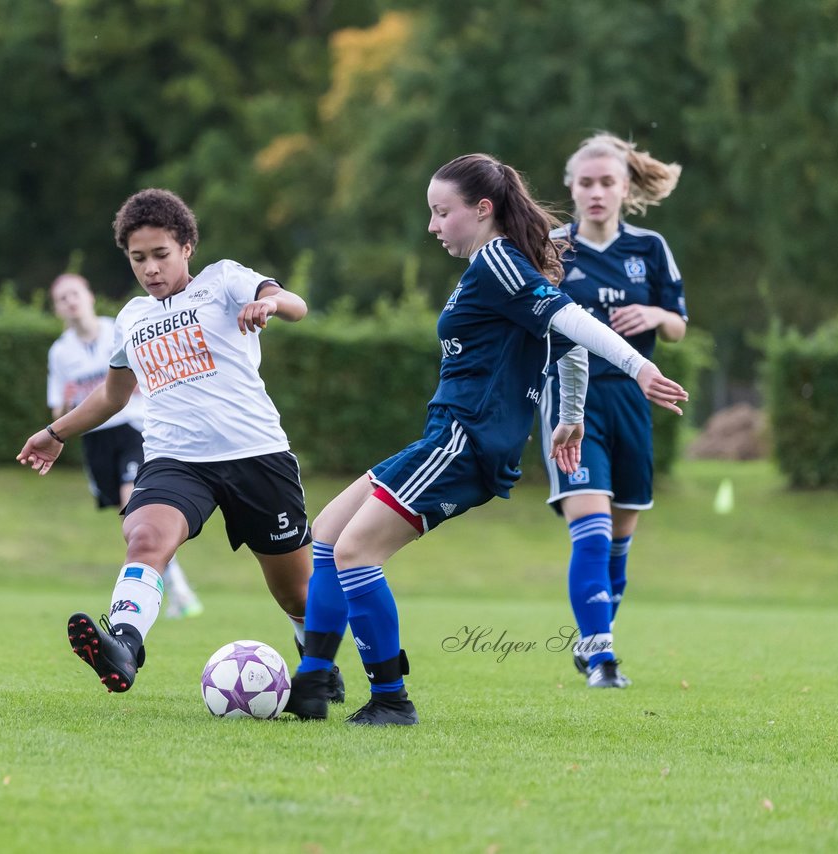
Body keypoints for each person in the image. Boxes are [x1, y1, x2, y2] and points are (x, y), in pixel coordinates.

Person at [285, 153, 688, 726]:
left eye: (440, 212)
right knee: (325, 537)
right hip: (446, 435)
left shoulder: (497, 259)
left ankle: (391, 700)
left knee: (354, 554)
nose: (432, 226)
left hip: (463, 441)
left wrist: (638, 369)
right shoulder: (500, 264)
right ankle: (313, 684)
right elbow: (563, 339)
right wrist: (570, 414)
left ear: (481, 209)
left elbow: (570, 320)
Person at [18, 188, 342, 701]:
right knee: (145, 538)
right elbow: (113, 396)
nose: (150, 269)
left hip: (255, 453)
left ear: (187, 246)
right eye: (137, 258)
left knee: (295, 592)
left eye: (160, 255)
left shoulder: (225, 280)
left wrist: (269, 302)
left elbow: (295, 304)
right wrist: (55, 433)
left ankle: (318, 671)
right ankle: (123, 646)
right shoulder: (130, 318)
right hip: (176, 459)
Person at [539, 134, 689, 688]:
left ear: (626, 188)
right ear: (571, 189)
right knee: (593, 529)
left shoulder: (649, 248)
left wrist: (652, 313)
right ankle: (602, 660)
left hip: (632, 398)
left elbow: (678, 325)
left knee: (621, 536)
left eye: (607, 182)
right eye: (586, 183)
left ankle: (592, 637)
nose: (596, 192)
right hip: (570, 400)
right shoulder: (550, 246)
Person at [47, 272, 203, 619]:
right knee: (129, 523)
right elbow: (58, 405)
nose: (70, 302)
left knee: (134, 503)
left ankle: (178, 592)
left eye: (75, 294)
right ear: (58, 309)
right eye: (61, 299)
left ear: (89, 296)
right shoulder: (60, 353)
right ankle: (172, 587)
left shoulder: (117, 328)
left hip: (134, 428)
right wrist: (65, 407)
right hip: (96, 440)